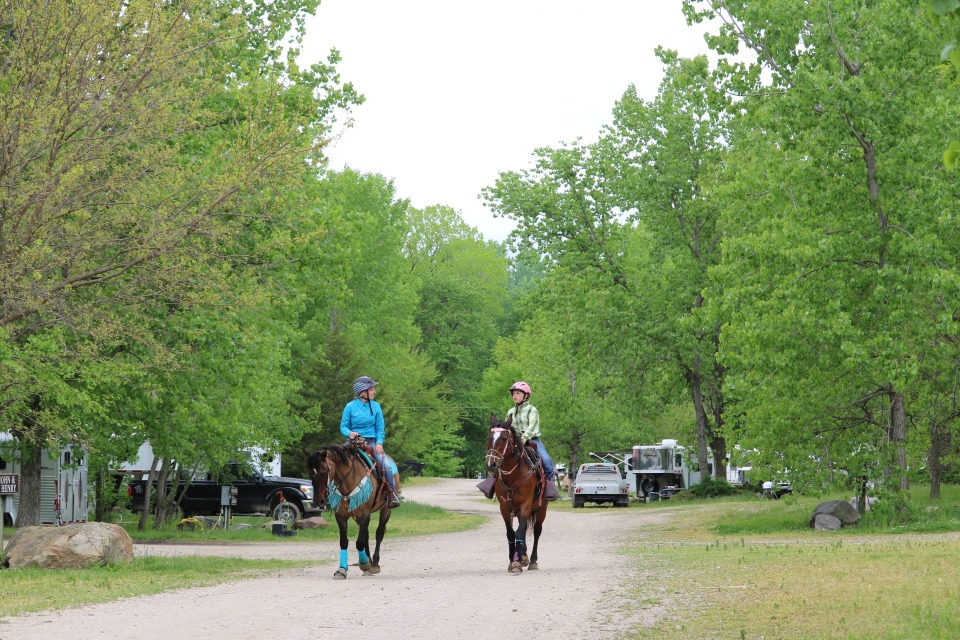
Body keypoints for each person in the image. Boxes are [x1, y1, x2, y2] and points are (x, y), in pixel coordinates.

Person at [477, 381, 560, 501]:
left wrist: (524, 438)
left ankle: (549, 488)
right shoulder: (510, 412)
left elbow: (532, 426)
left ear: (525, 396)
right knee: (499, 457)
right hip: (515, 441)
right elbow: (506, 428)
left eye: (517, 393)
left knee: (546, 460)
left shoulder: (532, 410)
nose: (514, 396)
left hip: (532, 440)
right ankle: (491, 482)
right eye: (513, 394)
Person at [340, 376, 400, 508]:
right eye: (372, 389)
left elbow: (380, 428)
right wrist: (349, 433)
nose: (374, 392)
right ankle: (331, 496)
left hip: (372, 443)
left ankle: (392, 495)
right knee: (336, 463)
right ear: (363, 392)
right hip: (353, 442)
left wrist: (379, 443)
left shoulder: (376, 406)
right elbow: (343, 426)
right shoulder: (349, 407)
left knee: (387, 467)